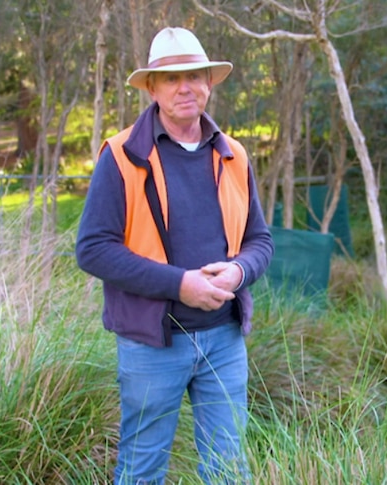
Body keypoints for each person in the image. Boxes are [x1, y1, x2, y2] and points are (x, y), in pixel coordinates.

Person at [76, 26, 274, 484]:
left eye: (195, 76)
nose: (185, 87)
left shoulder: (234, 156)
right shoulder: (123, 155)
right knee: (141, 471)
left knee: (228, 471)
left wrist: (240, 271)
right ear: (151, 87)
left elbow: (260, 241)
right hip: (152, 344)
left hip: (224, 342)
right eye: (171, 78)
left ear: (209, 82)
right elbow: (93, 249)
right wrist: (179, 284)